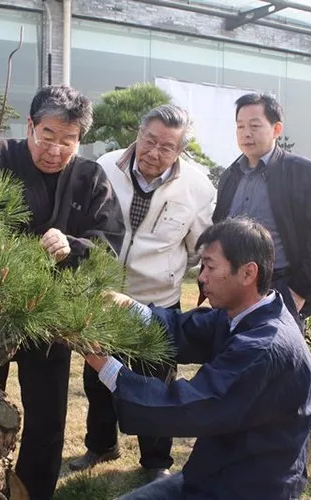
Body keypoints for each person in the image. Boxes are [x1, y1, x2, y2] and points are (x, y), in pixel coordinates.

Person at [84, 217, 311, 499]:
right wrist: (130, 307)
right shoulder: (240, 315)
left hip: (252, 485)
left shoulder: (264, 347)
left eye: (209, 266)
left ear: (247, 273)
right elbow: (182, 329)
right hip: (214, 471)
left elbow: (190, 405)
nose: (202, 277)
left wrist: (107, 368)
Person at [0, 84, 125, 500]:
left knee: (46, 415)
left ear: (80, 139)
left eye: (68, 140)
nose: (56, 149)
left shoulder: (90, 177)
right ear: (30, 126)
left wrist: (74, 246)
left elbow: (108, 245)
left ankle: (34, 491)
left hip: (50, 314)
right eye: (47, 135)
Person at [69, 104, 215, 481]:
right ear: (138, 133)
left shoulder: (198, 187)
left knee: (156, 383)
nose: (154, 152)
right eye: (149, 140)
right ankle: (100, 444)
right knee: (97, 377)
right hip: (104, 293)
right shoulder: (104, 166)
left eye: (167, 147)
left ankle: (155, 462)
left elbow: (200, 246)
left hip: (157, 301)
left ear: (180, 150)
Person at [211, 92, 311, 327]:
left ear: (277, 129)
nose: (246, 133)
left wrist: (297, 293)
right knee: (230, 358)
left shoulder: (305, 173)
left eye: (255, 126)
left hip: (280, 288)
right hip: (232, 290)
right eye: (240, 126)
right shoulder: (229, 176)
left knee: (277, 359)